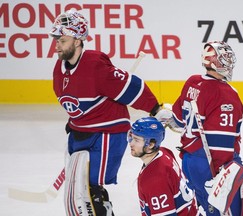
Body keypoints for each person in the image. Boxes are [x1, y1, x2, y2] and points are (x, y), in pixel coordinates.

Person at [49, 9, 165, 216]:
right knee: (80, 189)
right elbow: (77, 101)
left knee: (90, 189)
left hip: (107, 134)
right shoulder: (60, 68)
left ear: (77, 41)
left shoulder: (94, 64)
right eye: (56, 39)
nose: (57, 44)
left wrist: (155, 108)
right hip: (81, 132)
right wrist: (75, 119)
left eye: (63, 39)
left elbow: (131, 87)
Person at [167, 41, 243, 216]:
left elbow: (176, 118)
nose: (229, 62)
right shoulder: (226, 94)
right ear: (216, 62)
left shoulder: (192, 82)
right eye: (225, 58)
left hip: (189, 160)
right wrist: (224, 174)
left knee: (201, 209)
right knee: (222, 211)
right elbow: (220, 142)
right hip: (210, 163)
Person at [128, 117, 198, 216]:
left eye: (136, 140)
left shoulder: (155, 180)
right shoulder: (164, 152)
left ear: (151, 145)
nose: (131, 143)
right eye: (131, 137)